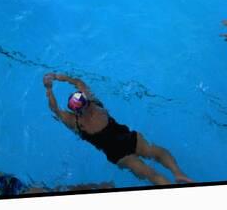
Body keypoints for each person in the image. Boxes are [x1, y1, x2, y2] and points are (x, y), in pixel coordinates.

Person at [43, 73, 193, 186]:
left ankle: (176, 179)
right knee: (153, 161)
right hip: (123, 146)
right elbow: (71, 89)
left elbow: (60, 104)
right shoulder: (87, 111)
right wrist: (53, 82)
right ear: (83, 104)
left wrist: (51, 85)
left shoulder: (79, 117)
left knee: (153, 164)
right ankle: (178, 175)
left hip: (122, 146)